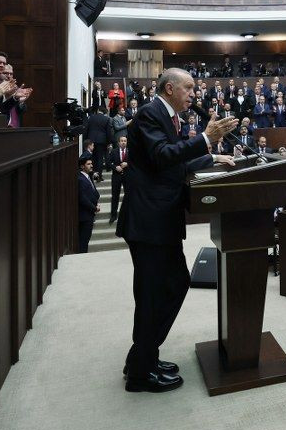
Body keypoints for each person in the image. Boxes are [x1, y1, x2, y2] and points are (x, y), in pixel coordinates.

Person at [116, 68, 238, 393]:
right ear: (169, 88)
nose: (192, 94)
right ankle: (140, 374)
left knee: (173, 285)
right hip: (149, 223)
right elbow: (161, 157)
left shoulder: (168, 117)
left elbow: (175, 164)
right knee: (154, 294)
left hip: (161, 220)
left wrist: (211, 155)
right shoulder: (149, 114)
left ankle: (142, 358)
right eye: (188, 88)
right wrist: (205, 139)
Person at [84, 107, 116, 181]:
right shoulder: (107, 119)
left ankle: (92, 174)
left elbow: (86, 129)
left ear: (98, 110)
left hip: (91, 140)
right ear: (104, 112)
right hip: (102, 141)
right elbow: (108, 132)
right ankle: (99, 176)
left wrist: (86, 140)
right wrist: (109, 142)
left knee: (92, 157)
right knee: (100, 158)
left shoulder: (91, 117)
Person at [78, 154, 100, 254]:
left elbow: (95, 193)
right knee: (83, 242)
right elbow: (82, 198)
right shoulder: (80, 179)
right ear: (82, 166)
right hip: (84, 216)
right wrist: (94, 208)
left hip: (89, 214)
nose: (91, 166)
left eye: (91, 163)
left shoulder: (88, 177)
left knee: (86, 241)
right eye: (88, 164)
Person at [107, 135, 129, 225]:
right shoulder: (114, 151)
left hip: (127, 176)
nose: (123, 142)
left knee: (128, 195)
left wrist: (127, 163)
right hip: (116, 176)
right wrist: (115, 167)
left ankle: (127, 214)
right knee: (115, 196)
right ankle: (113, 215)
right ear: (119, 142)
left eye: (125, 141)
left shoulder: (130, 151)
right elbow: (108, 162)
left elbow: (135, 162)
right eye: (122, 141)